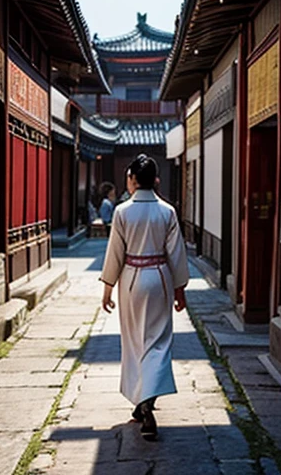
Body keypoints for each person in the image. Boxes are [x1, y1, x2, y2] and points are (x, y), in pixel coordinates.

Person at [100, 154, 189, 440]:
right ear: (155, 180)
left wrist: (107, 288)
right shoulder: (168, 211)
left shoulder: (123, 212)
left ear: (133, 180)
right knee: (158, 341)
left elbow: (115, 252)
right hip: (160, 278)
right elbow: (176, 253)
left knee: (134, 340)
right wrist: (179, 289)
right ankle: (147, 402)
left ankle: (143, 402)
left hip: (131, 280)